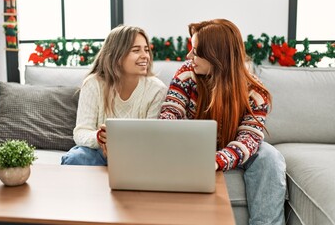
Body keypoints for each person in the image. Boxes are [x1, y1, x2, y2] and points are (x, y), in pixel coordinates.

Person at [159, 19, 287, 225]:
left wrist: (217, 160)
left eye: (196, 51)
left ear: (216, 56)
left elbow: (249, 138)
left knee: (270, 156)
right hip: (191, 148)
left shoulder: (255, 92)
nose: (189, 56)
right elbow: (169, 114)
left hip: (233, 148)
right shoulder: (186, 74)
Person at [61, 25, 168, 166]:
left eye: (146, 50)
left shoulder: (157, 89)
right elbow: (81, 132)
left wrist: (121, 149)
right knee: (76, 157)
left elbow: (151, 139)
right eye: (136, 50)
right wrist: (101, 138)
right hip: (99, 152)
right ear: (117, 55)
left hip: (138, 155)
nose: (145, 56)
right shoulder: (94, 84)